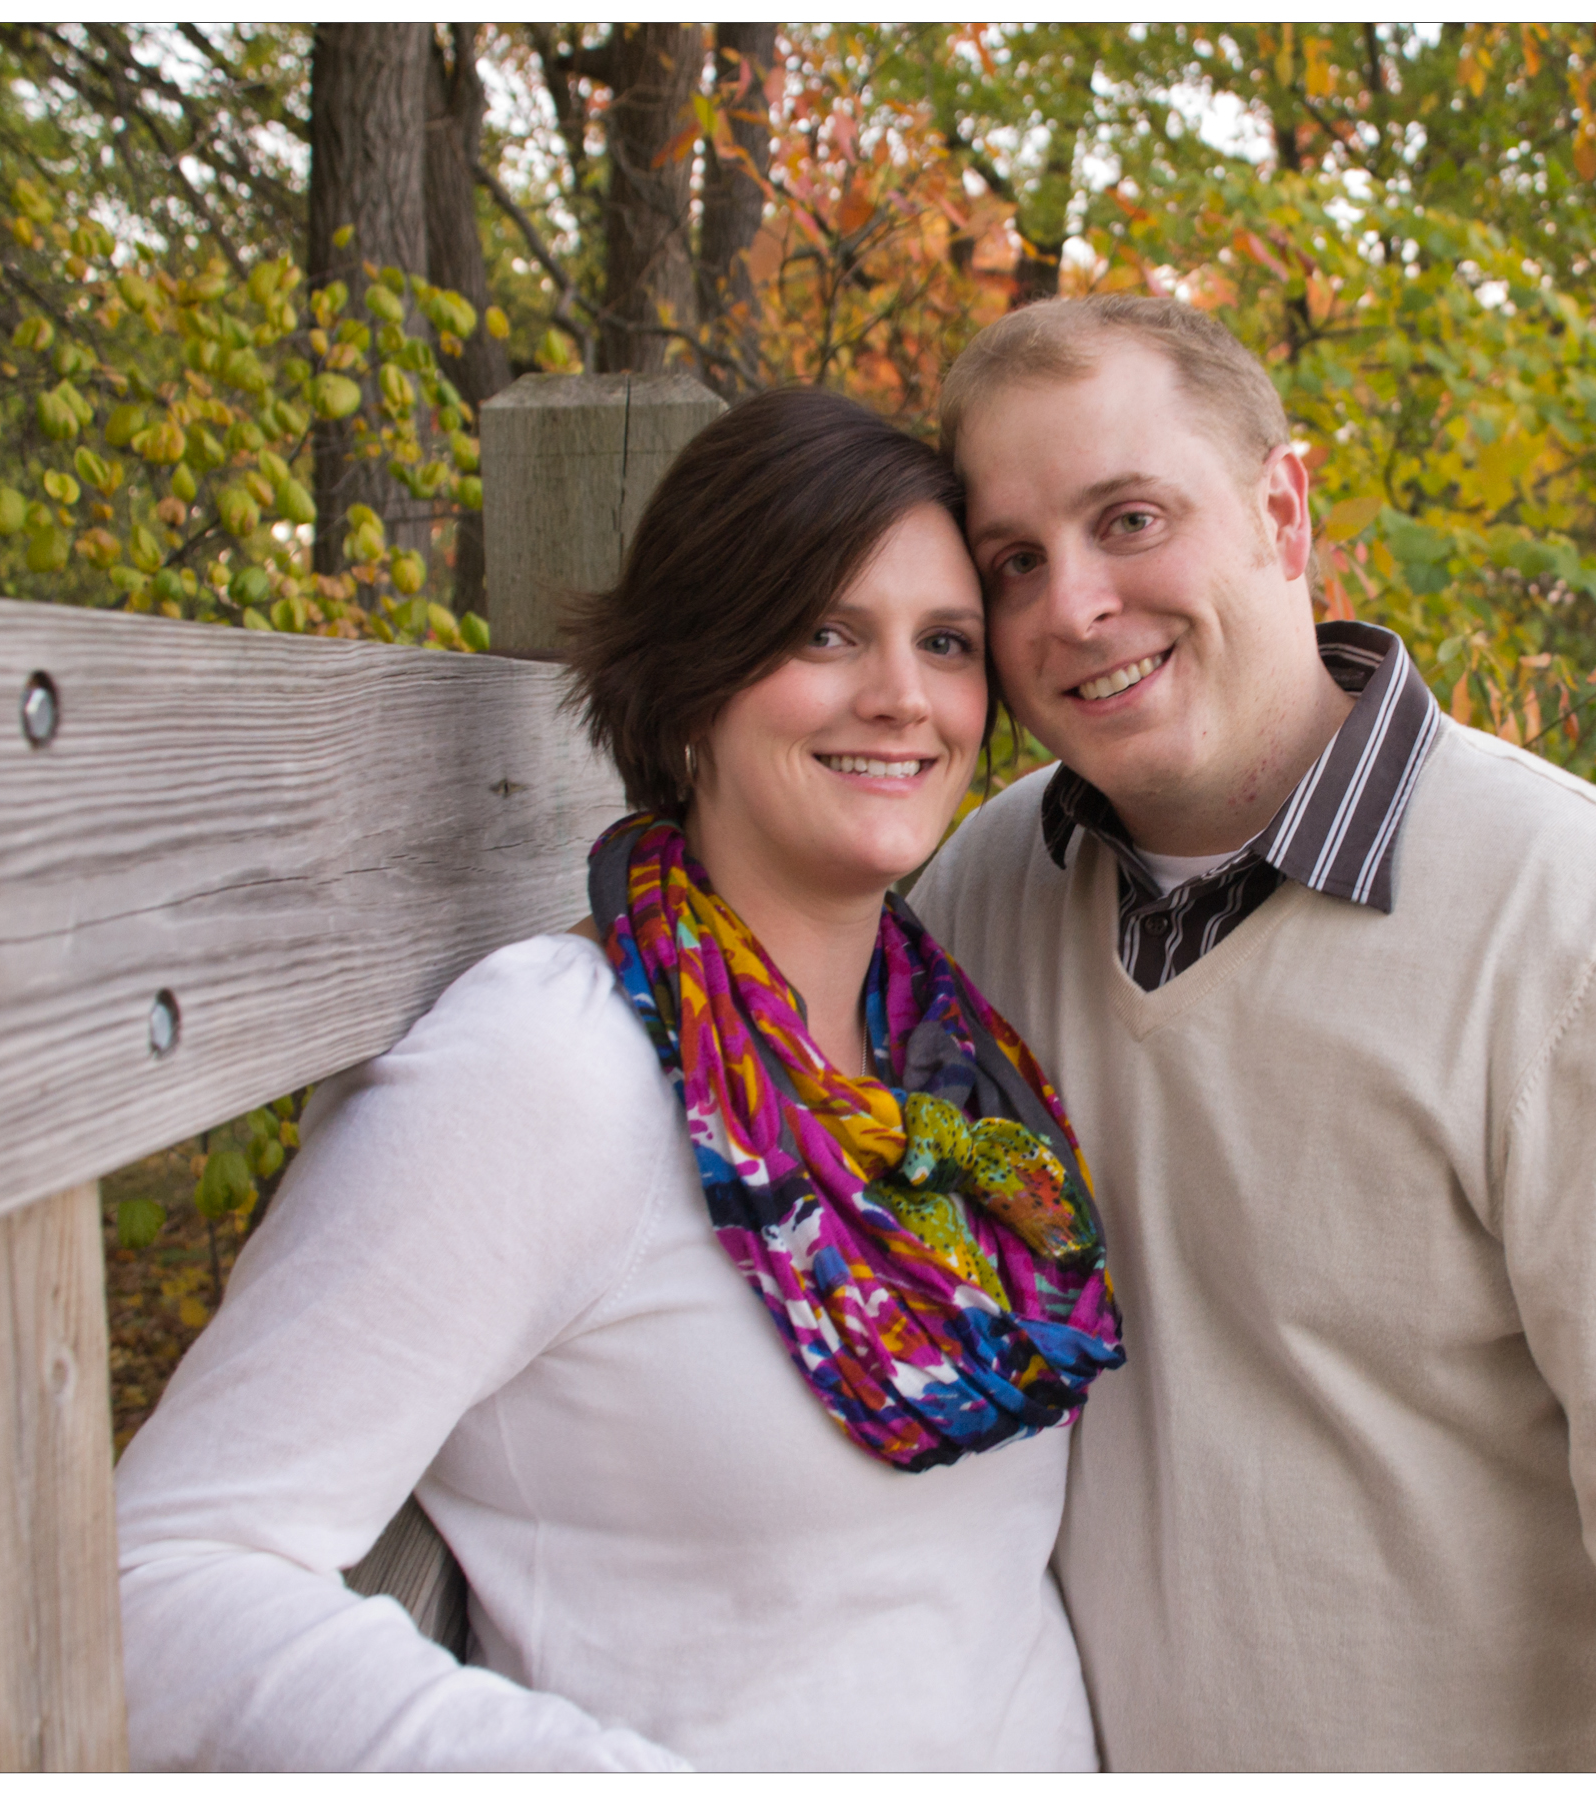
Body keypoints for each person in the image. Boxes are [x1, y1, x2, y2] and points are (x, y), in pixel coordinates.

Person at [909, 294, 1596, 1770]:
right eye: (1014, 560)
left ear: (1283, 511)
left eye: (1130, 520)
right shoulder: (979, 900)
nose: (1072, 604)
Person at [111, 386, 1124, 1771]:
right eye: (825, 632)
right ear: (696, 676)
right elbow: (162, 1577)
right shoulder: (550, 1066)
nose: (902, 696)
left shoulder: (951, 1068)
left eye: (944, 642)